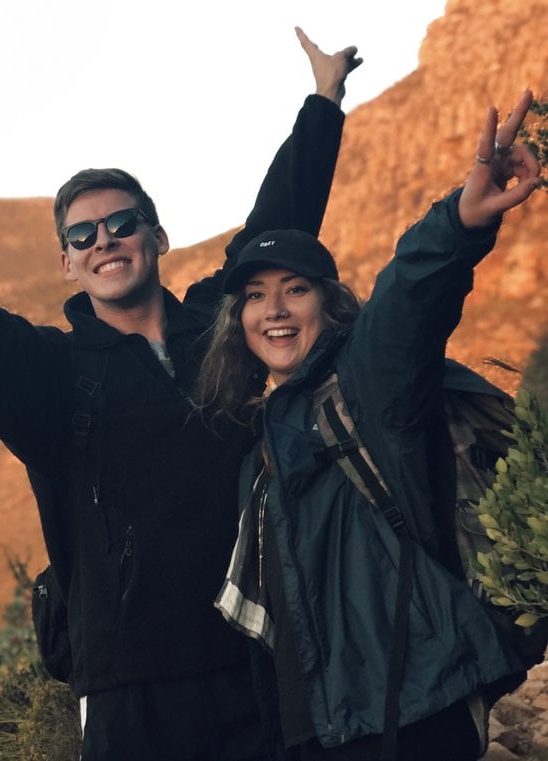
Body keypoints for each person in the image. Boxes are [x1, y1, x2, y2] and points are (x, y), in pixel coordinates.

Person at [0, 29, 360, 761]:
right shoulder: (55, 375)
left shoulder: (216, 325)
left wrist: (323, 100)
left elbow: (277, 224)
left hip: (256, 660)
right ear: (67, 263)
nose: (104, 240)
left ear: (157, 236)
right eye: (83, 235)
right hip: (130, 692)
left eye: (121, 224)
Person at [202, 91, 542, 761]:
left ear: (327, 303)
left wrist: (461, 220)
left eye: (294, 288)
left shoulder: (367, 382)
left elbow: (408, 298)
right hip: (324, 731)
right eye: (254, 295)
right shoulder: (259, 451)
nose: (273, 309)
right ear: (237, 322)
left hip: (415, 713)